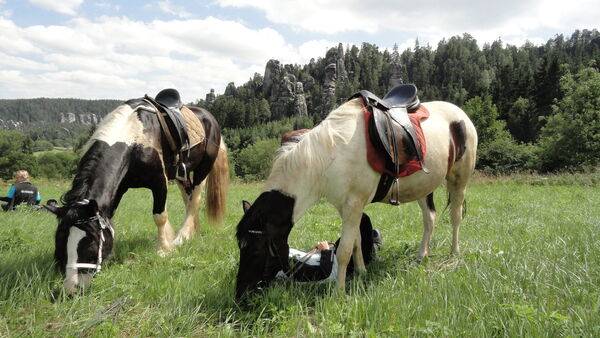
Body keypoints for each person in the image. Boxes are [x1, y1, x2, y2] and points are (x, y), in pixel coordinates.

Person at [278, 214, 383, 283]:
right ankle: (374, 247)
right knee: (363, 220)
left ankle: (374, 242)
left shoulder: (277, 260)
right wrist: (325, 250)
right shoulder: (281, 264)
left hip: (334, 256)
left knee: (361, 231)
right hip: (341, 264)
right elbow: (324, 273)